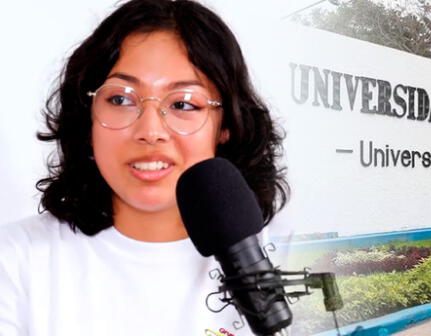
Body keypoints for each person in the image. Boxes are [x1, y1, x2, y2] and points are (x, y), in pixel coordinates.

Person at [0, 0, 288, 335]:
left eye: (183, 104)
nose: (151, 131)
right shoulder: (15, 261)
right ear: (87, 117)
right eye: (121, 100)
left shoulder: (287, 253)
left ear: (226, 127)